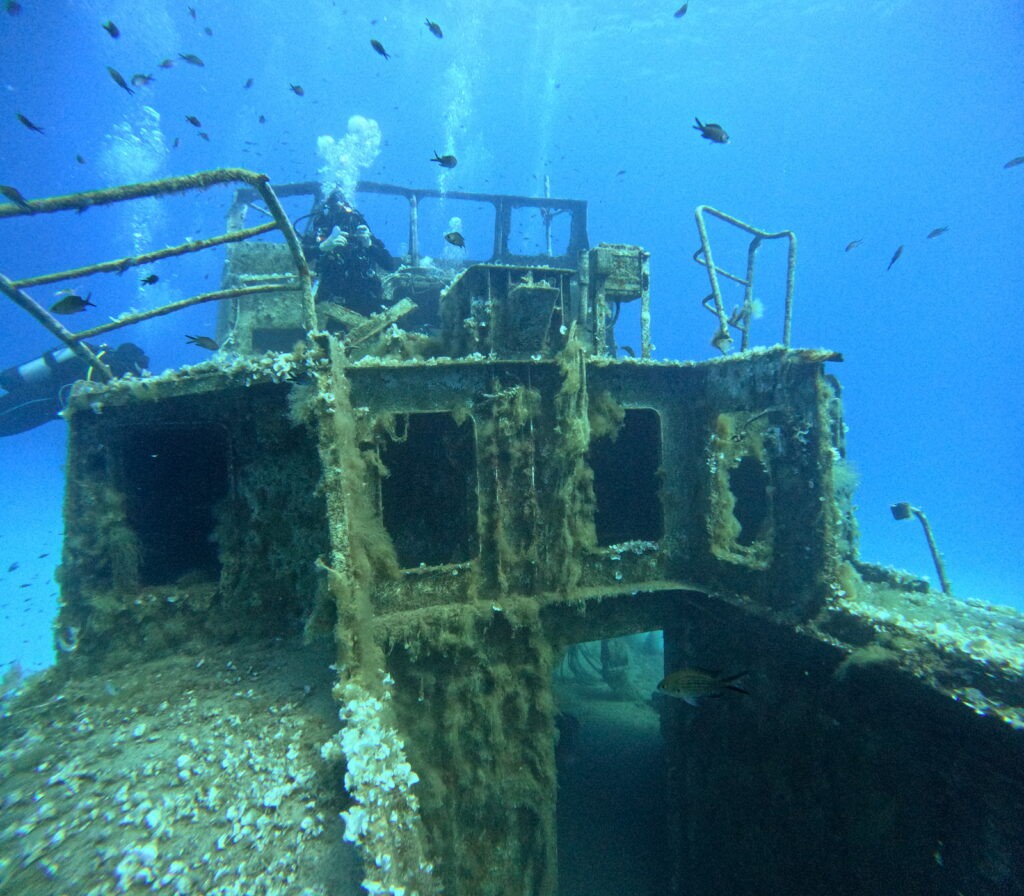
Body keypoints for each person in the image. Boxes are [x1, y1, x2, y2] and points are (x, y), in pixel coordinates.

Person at [0, 342, 149, 437]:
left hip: (44, 401)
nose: (144, 368)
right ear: (133, 359)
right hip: (43, 399)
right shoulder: (115, 365)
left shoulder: (105, 358)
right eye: (143, 362)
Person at [302, 191, 399, 316]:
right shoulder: (320, 233)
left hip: (365, 297)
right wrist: (322, 248)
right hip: (331, 300)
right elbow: (298, 258)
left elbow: (390, 265)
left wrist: (369, 245)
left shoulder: (360, 231)